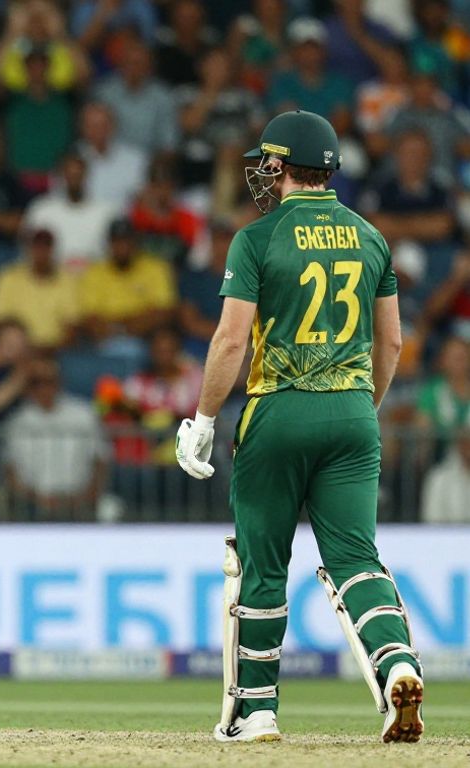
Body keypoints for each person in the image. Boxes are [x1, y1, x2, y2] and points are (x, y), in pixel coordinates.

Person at [175, 110, 422, 744]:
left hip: (278, 411)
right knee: (355, 559)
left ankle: (255, 710)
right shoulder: (371, 237)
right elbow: (391, 343)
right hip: (352, 411)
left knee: (261, 563)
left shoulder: (256, 238)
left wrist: (202, 419)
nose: (261, 172)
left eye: (267, 162)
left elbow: (232, 341)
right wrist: (357, 414)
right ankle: (396, 665)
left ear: (283, 166)